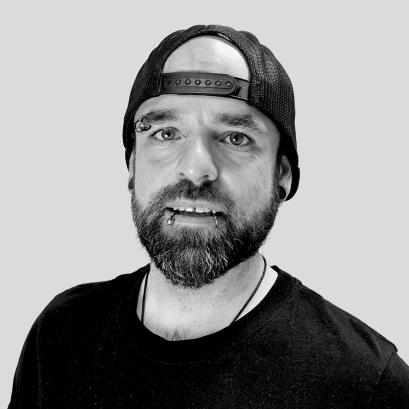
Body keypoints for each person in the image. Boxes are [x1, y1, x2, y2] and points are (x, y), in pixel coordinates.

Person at [8, 24, 409, 408]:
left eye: (236, 138)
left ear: (282, 175)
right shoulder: (61, 335)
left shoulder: (367, 384)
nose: (196, 169)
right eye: (165, 133)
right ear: (132, 164)